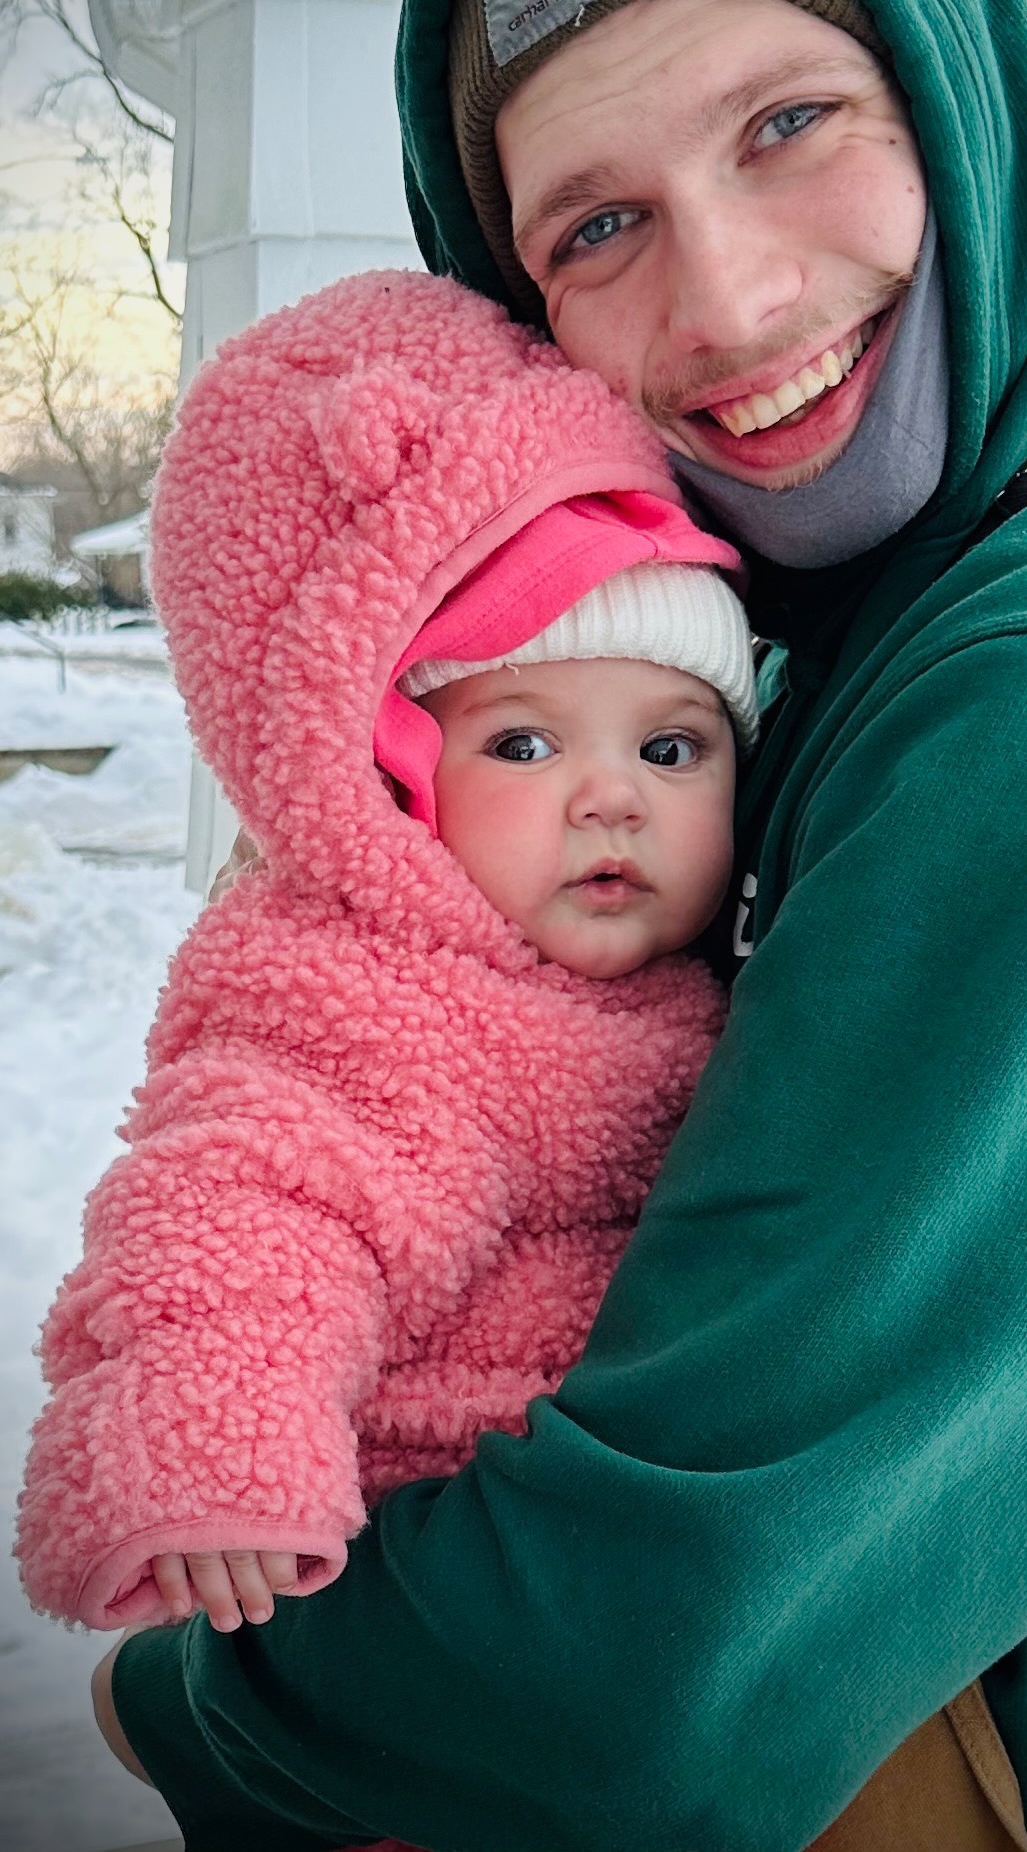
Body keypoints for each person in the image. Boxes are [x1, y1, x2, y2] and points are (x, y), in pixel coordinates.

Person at [92, 0, 1027, 1852]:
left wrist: (197, 1706)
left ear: (966, 83)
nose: (733, 302)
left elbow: (667, 1665)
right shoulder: (847, 625)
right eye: (594, 228)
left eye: (789, 123)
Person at [18, 269, 756, 1640]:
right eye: (523, 743)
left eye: (672, 746)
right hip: (428, 1549)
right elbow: (254, 1209)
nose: (612, 796)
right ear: (401, 779)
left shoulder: (704, 982)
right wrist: (219, 1445)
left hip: (629, 1555)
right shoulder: (370, 1000)